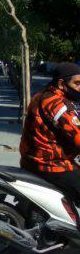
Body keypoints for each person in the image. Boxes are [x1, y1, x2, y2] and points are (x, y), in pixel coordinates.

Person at [20, 63, 80, 204]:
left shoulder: (41, 95)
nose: (79, 88)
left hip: (30, 161)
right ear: (61, 83)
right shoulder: (59, 105)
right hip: (52, 165)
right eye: (77, 83)